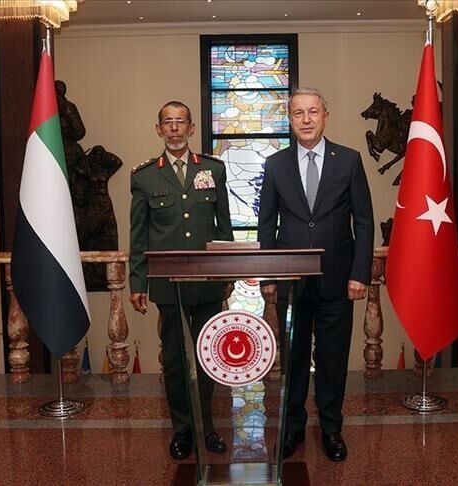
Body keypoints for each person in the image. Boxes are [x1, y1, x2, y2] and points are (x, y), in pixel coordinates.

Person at [258, 87, 374, 462]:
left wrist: (359, 274)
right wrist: (268, 276)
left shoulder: (350, 160)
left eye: (313, 112)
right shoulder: (275, 164)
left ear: (325, 116)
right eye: (298, 113)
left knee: (332, 359)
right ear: (290, 119)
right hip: (290, 282)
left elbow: (364, 222)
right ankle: (292, 428)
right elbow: (266, 225)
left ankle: (331, 429)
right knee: (292, 360)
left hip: (337, 280)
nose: (306, 119)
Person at [129, 101, 233, 460]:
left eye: (181, 122)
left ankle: (209, 427)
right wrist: (138, 283)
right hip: (167, 283)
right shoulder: (144, 177)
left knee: (209, 357)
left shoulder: (213, 169)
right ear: (159, 129)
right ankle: (183, 430)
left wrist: (228, 273)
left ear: (191, 128)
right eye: (168, 122)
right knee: (174, 360)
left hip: (206, 281)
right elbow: (138, 236)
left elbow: (224, 228)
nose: (174, 128)